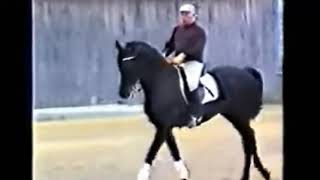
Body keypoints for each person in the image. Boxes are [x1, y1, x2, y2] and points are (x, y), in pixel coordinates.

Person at [162, 3, 207, 128]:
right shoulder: (177, 30)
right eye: (182, 13)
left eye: (187, 14)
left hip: (193, 63)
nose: (184, 16)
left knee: (191, 84)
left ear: (194, 15)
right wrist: (164, 54)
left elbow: (197, 48)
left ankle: (195, 114)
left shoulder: (199, 32)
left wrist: (183, 55)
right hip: (177, 61)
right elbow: (170, 44)